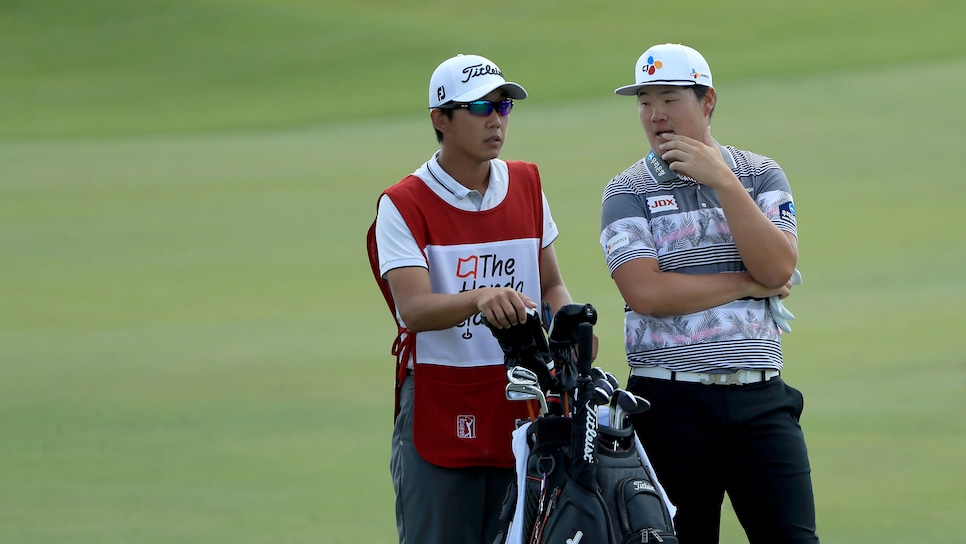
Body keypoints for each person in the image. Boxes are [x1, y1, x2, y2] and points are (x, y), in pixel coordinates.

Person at [599, 43, 820, 543]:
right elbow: (646, 292)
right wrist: (746, 284)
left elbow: (779, 264)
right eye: (644, 101)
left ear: (707, 102)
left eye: (669, 99)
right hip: (669, 404)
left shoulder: (760, 175)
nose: (655, 115)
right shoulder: (626, 190)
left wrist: (723, 181)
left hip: (761, 400)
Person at [366, 53, 576, 544]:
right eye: (480, 106)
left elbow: (550, 286)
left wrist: (567, 322)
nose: (496, 119)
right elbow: (413, 310)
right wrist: (480, 298)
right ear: (440, 119)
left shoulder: (526, 182)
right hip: (442, 398)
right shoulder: (403, 202)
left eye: (503, 106)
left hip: (522, 399)